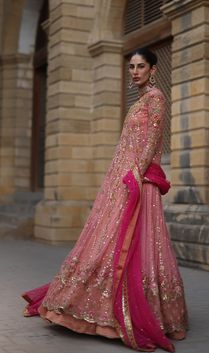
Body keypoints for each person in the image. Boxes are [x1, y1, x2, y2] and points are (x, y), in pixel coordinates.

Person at [22, 47, 188, 352]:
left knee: (137, 245)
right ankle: (94, 310)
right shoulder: (139, 101)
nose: (135, 71)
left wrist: (135, 175)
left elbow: (152, 140)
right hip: (123, 181)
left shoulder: (156, 99)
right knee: (106, 238)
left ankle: (140, 312)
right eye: (131, 67)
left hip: (139, 180)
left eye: (141, 66)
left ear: (153, 69)